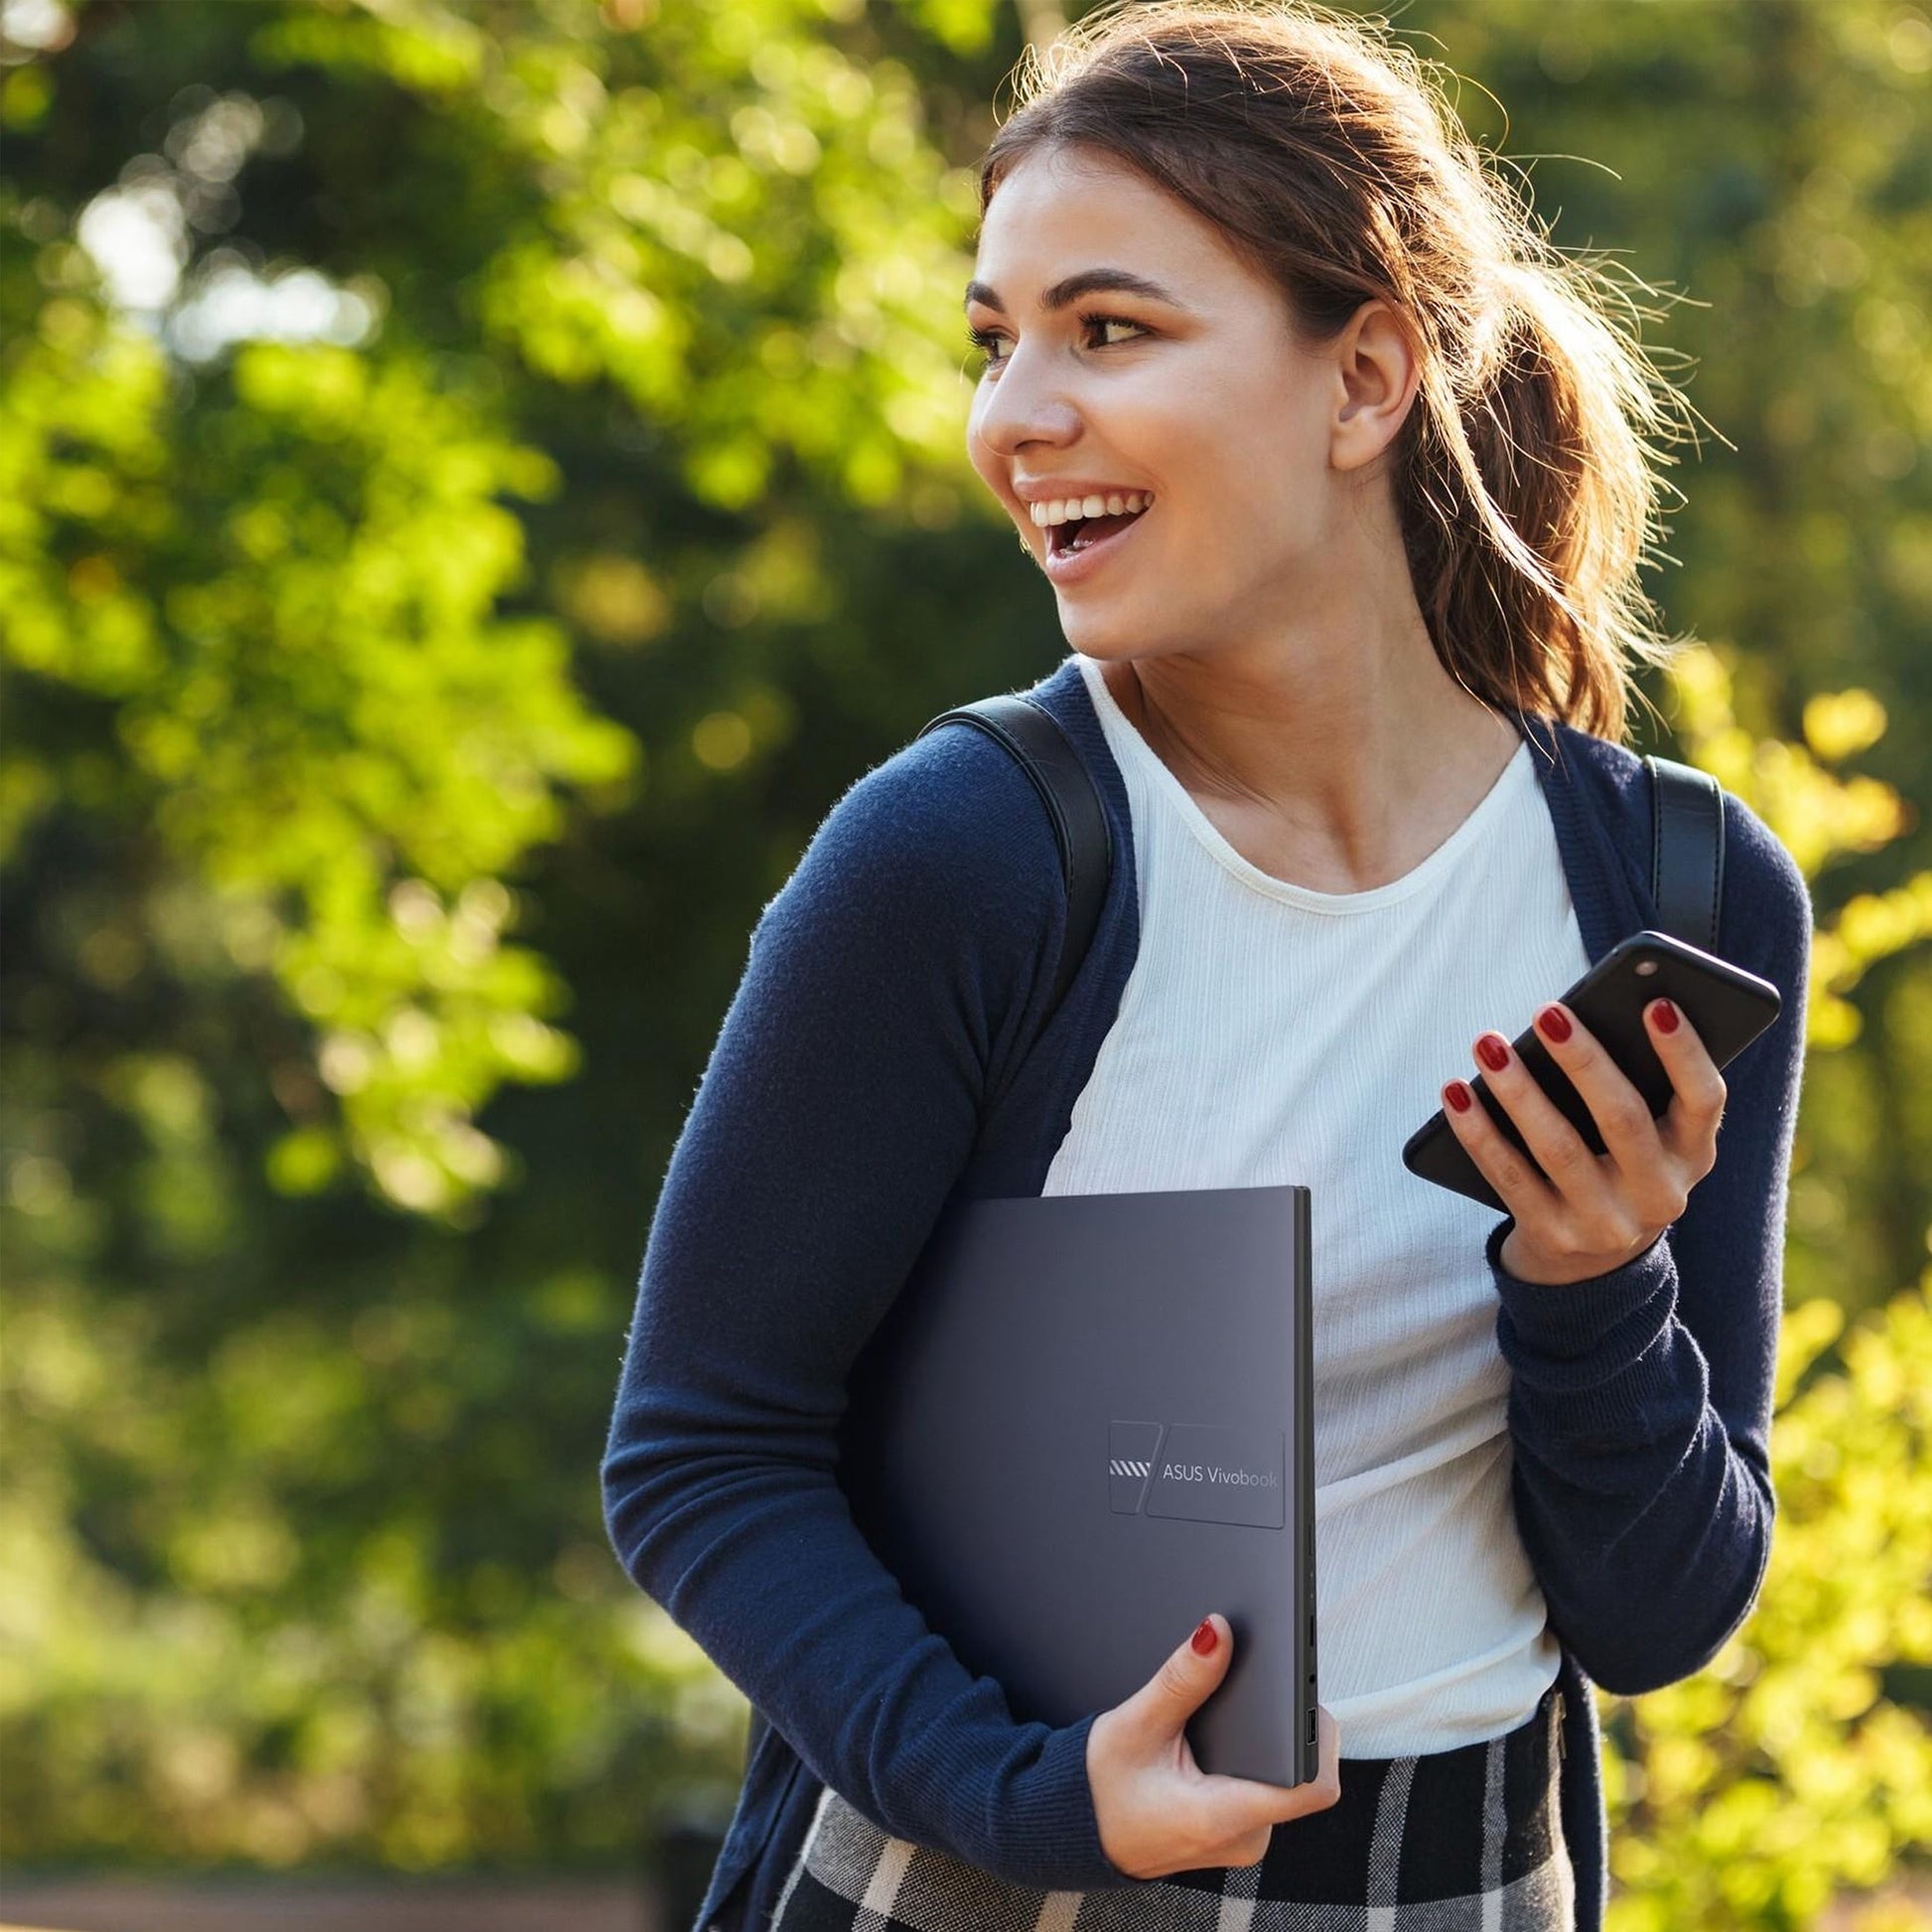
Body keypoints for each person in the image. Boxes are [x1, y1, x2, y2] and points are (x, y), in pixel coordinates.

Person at [601, 4, 1812, 1929]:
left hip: (1464, 1881)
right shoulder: (964, 855)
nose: (1013, 419)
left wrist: (1587, 1290)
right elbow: (700, 1452)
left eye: (1109, 330)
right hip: (986, 1860)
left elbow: (1659, 1616)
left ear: (1365, 381)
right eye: (996, 342)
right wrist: (1019, 1787)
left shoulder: (1674, 890)